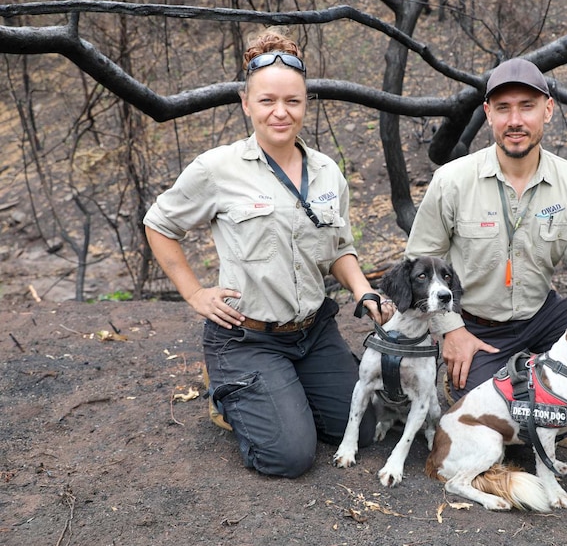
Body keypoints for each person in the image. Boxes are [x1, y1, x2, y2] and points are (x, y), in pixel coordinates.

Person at [143, 28, 394, 478]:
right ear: (246, 103)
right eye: (267, 101)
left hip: (313, 333)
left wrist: (362, 290)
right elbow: (159, 224)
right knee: (289, 457)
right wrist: (195, 294)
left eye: (292, 101)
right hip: (248, 337)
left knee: (365, 427)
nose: (280, 112)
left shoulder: (326, 172)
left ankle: (282, 393)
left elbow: (339, 247)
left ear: (305, 104)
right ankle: (234, 393)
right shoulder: (217, 169)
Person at [406, 58, 567, 413]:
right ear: (488, 113)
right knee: (487, 407)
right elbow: (420, 260)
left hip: (542, 317)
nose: (515, 121)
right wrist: (451, 330)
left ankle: (564, 405)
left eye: (527, 107)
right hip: (478, 325)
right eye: (503, 109)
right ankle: (515, 384)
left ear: (547, 110)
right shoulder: (453, 180)